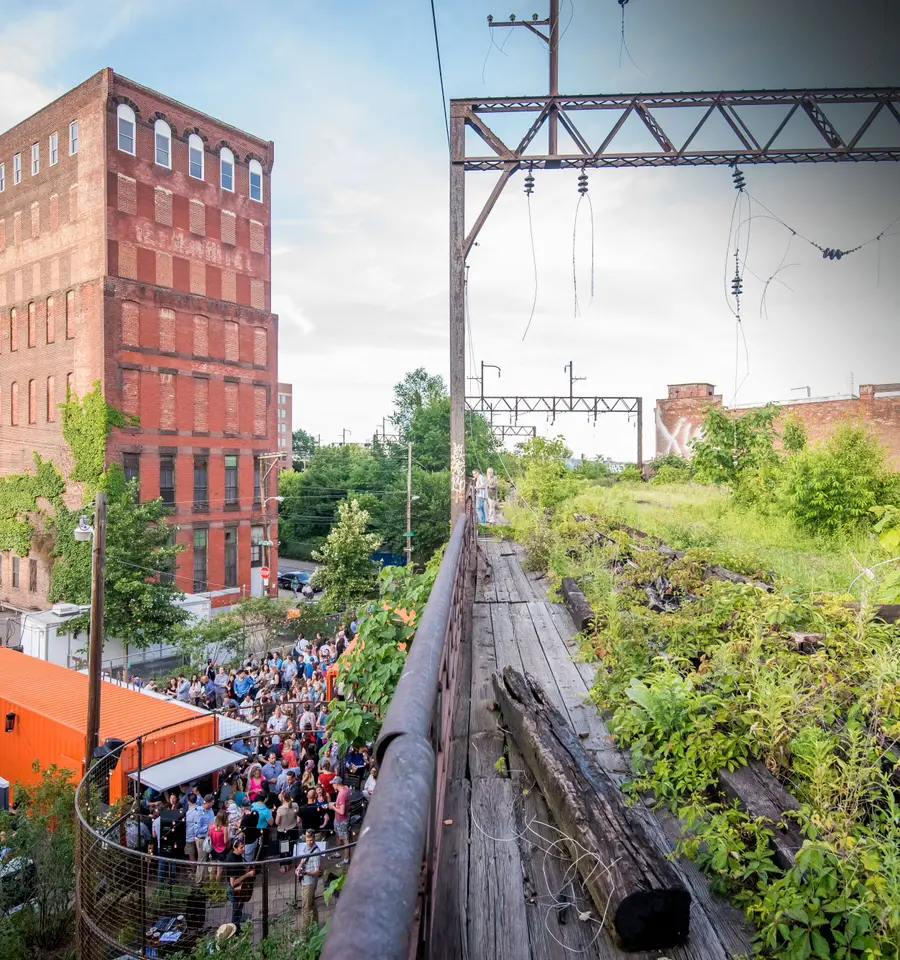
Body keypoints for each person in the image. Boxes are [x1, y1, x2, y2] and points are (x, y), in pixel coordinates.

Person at [226, 838, 255, 930]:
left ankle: (237, 927)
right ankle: (235, 930)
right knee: (236, 911)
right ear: (235, 848)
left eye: (244, 847)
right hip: (235, 889)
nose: (244, 849)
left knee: (238, 910)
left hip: (239, 888)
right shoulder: (232, 860)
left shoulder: (237, 855)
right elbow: (233, 883)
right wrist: (248, 874)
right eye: (241, 847)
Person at [295, 829, 322, 928]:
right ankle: (315, 925)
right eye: (307, 840)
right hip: (305, 880)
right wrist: (299, 868)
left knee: (305, 908)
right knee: (311, 903)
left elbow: (317, 871)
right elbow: (303, 860)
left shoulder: (316, 852)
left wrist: (306, 873)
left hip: (310, 883)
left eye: (311, 840)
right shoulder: (306, 848)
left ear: (314, 838)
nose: (309, 842)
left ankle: (303, 935)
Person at [328, 776, 352, 866]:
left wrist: (333, 807)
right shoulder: (346, 788)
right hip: (338, 819)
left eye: (333, 784)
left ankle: (346, 860)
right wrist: (335, 804)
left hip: (342, 820)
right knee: (338, 835)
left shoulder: (341, 794)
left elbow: (342, 812)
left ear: (337, 784)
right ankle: (337, 853)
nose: (332, 785)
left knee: (345, 840)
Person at [276, 791, 299, 872]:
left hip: (283, 831)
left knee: (283, 848)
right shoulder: (295, 805)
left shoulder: (280, 809)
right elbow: (296, 815)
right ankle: (289, 863)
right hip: (293, 828)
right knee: (291, 847)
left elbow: (277, 822)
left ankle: (283, 865)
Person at [209, 810, 230, 881]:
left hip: (213, 849)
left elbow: (209, 837)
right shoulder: (224, 829)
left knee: (212, 869)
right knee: (219, 870)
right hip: (222, 850)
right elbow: (225, 841)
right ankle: (217, 886)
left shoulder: (211, 827)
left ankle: (211, 885)